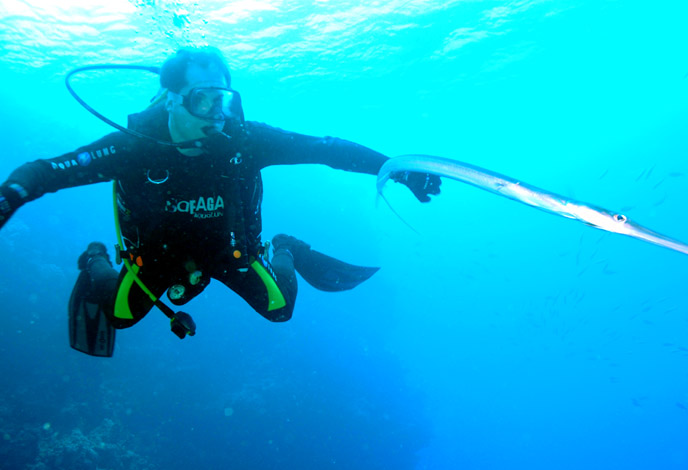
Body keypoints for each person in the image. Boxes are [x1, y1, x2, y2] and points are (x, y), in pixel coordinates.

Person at [0, 47, 441, 356]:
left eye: (223, 98)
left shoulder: (245, 141)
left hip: (228, 249)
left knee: (280, 310)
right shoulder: (135, 147)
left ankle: (286, 247)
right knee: (119, 317)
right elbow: (48, 171)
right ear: (172, 100)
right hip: (156, 256)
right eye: (203, 99)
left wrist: (397, 169)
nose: (217, 113)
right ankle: (94, 257)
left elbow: (326, 149)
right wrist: (10, 197)